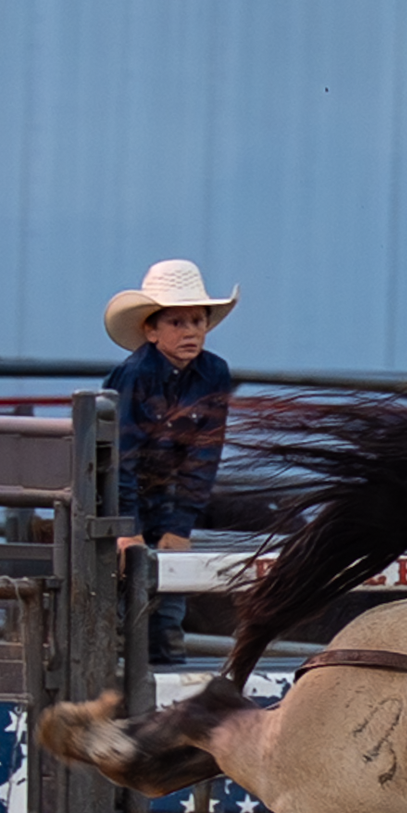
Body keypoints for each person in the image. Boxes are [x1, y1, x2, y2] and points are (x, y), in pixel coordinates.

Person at [104, 259, 238, 664]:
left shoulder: (214, 372)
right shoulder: (133, 375)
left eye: (197, 321)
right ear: (152, 330)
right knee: (121, 609)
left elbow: (205, 454)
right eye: (178, 323)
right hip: (123, 504)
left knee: (168, 608)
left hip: (168, 502)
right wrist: (126, 528)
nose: (191, 332)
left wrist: (180, 525)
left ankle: (159, 689)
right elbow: (120, 456)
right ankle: (135, 691)